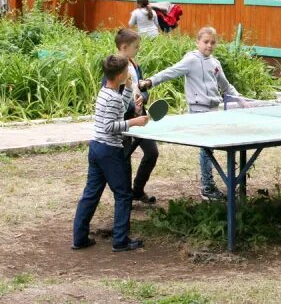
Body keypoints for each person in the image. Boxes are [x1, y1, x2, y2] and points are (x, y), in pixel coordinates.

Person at [139, 27, 243, 200]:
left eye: (212, 42)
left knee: (211, 148)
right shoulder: (191, 60)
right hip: (198, 109)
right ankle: (207, 188)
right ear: (197, 42)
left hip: (213, 110)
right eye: (205, 42)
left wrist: (241, 100)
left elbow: (226, 86)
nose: (209, 45)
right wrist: (151, 82)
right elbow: (171, 72)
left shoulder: (215, 63)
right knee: (206, 148)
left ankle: (209, 185)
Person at [72, 55, 149, 252]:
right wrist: (134, 122)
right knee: (123, 194)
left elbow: (120, 108)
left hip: (96, 148)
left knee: (91, 193)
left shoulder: (105, 92)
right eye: (127, 72)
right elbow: (110, 126)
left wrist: (130, 91)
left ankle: (80, 238)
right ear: (121, 74)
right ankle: (120, 241)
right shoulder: (113, 97)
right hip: (110, 151)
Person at [111, 29, 159, 204]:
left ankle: (137, 190)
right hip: (124, 121)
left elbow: (142, 88)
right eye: (135, 47)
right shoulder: (114, 67)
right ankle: (125, 198)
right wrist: (131, 106)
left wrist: (142, 98)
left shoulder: (135, 65)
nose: (138, 50)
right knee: (125, 158)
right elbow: (111, 94)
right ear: (124, 47)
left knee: (152, 152)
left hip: (141, 118)